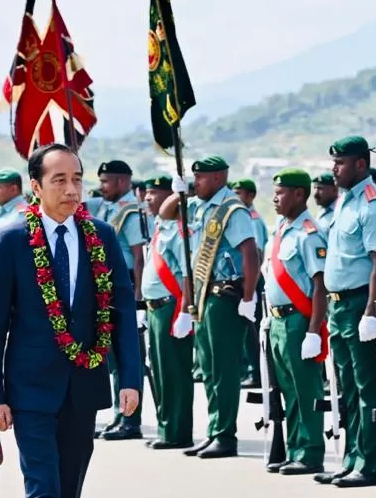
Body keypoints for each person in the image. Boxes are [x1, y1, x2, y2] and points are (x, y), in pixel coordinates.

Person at [0, 143, 140, 498]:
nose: (72, 190)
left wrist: (130, 378)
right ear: (36, 186)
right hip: (28, 389)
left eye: (77, 179)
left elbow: (121, 313)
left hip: (83, 386)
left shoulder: (102, 238)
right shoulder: (11, 240)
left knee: (68, 490)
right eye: (59, 180)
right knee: (41, 485)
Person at [158, 156, 259, 459]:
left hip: (225, 297)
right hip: (205, 296)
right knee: (210, 368)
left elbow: (250, 254)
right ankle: (215, 429)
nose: (195, 182)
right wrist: (179, 194)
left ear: (217, 178)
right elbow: (164, 217)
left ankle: (226, 434)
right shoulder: (203, 207)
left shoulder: (232, 210)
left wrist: (249, 298)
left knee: (224, 369)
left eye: (200, 178)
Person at [320, 136, 376, 488]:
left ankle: (371, 462)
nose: (334, 168)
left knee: (367, 387)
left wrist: (372, 311)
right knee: (346, 386)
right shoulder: (343, 203)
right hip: (338, 304)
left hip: (359, 302)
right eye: (333, 162)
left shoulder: (372, 206)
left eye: (341, 162)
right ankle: (352, 456)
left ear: (361, 164)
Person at [266, 169, 329, 475]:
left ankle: (310, 452)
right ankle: (294, 448)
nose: (274, 198)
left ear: (299, 195)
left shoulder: (309, 233)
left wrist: (314, 331)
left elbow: (320, 285)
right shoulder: (282, 229)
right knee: (288, 390)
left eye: (281, 192)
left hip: (298, 320)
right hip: (277, 321)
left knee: (306, 390)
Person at [93, 160, 147, 441]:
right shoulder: (108, 208)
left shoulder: (131, 212)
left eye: (107, 181)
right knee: (111, 357)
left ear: (123, 182)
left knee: (128, 356)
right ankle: (119, 414)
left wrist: (138, 301)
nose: (102, 186)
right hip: (106, 285)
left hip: (125, 283)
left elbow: (139, 257)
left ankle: (131, 421)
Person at [141, 175, 195, 449]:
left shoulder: (178, 232)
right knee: (160, 371)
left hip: (170, 308)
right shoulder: (160, 228)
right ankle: (166, 427)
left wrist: (185, 311)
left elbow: (188, 275)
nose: (148, 198)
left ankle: (177, 431)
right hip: (154, 309)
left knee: (174, 371)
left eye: (154, 193)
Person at [231, 178, 268, 388]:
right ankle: (249, 370)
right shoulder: (242, 216)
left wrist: (251, 285)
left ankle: (256, 372)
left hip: (252, 279)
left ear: (251, 196)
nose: (236, 198)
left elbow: (257, 253)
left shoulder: (252, 219)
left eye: (240, 194)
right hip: (246, 278)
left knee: (251, 329)